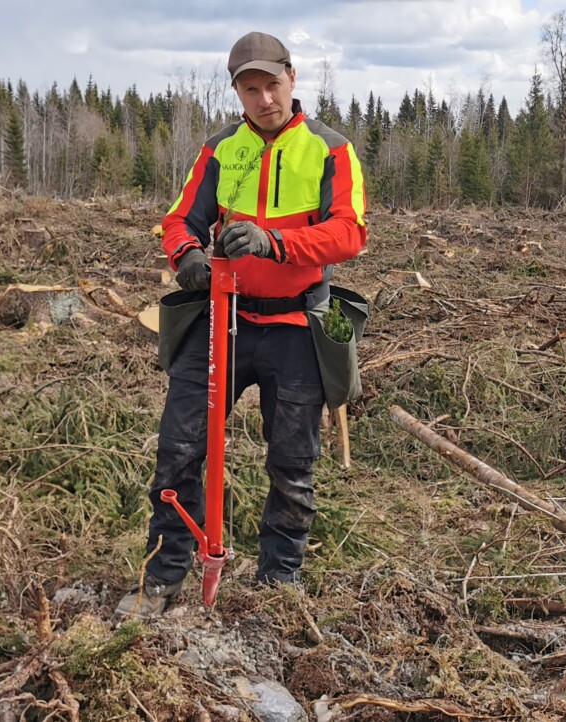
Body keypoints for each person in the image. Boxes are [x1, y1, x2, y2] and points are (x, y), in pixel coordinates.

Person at [116, 31, 368, 617]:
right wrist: (188, 259)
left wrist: (275, 242)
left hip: (298, 326)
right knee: (178, 450)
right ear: (237, 92)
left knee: (292, 462)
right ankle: (166, 574)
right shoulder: (219, 149)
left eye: (271, 86)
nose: (263, 100)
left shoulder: (330, 150)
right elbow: (178, 220)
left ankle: (279, 581)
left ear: (292, 79)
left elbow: (349, 232)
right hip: (221, 322)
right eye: (249, 89)